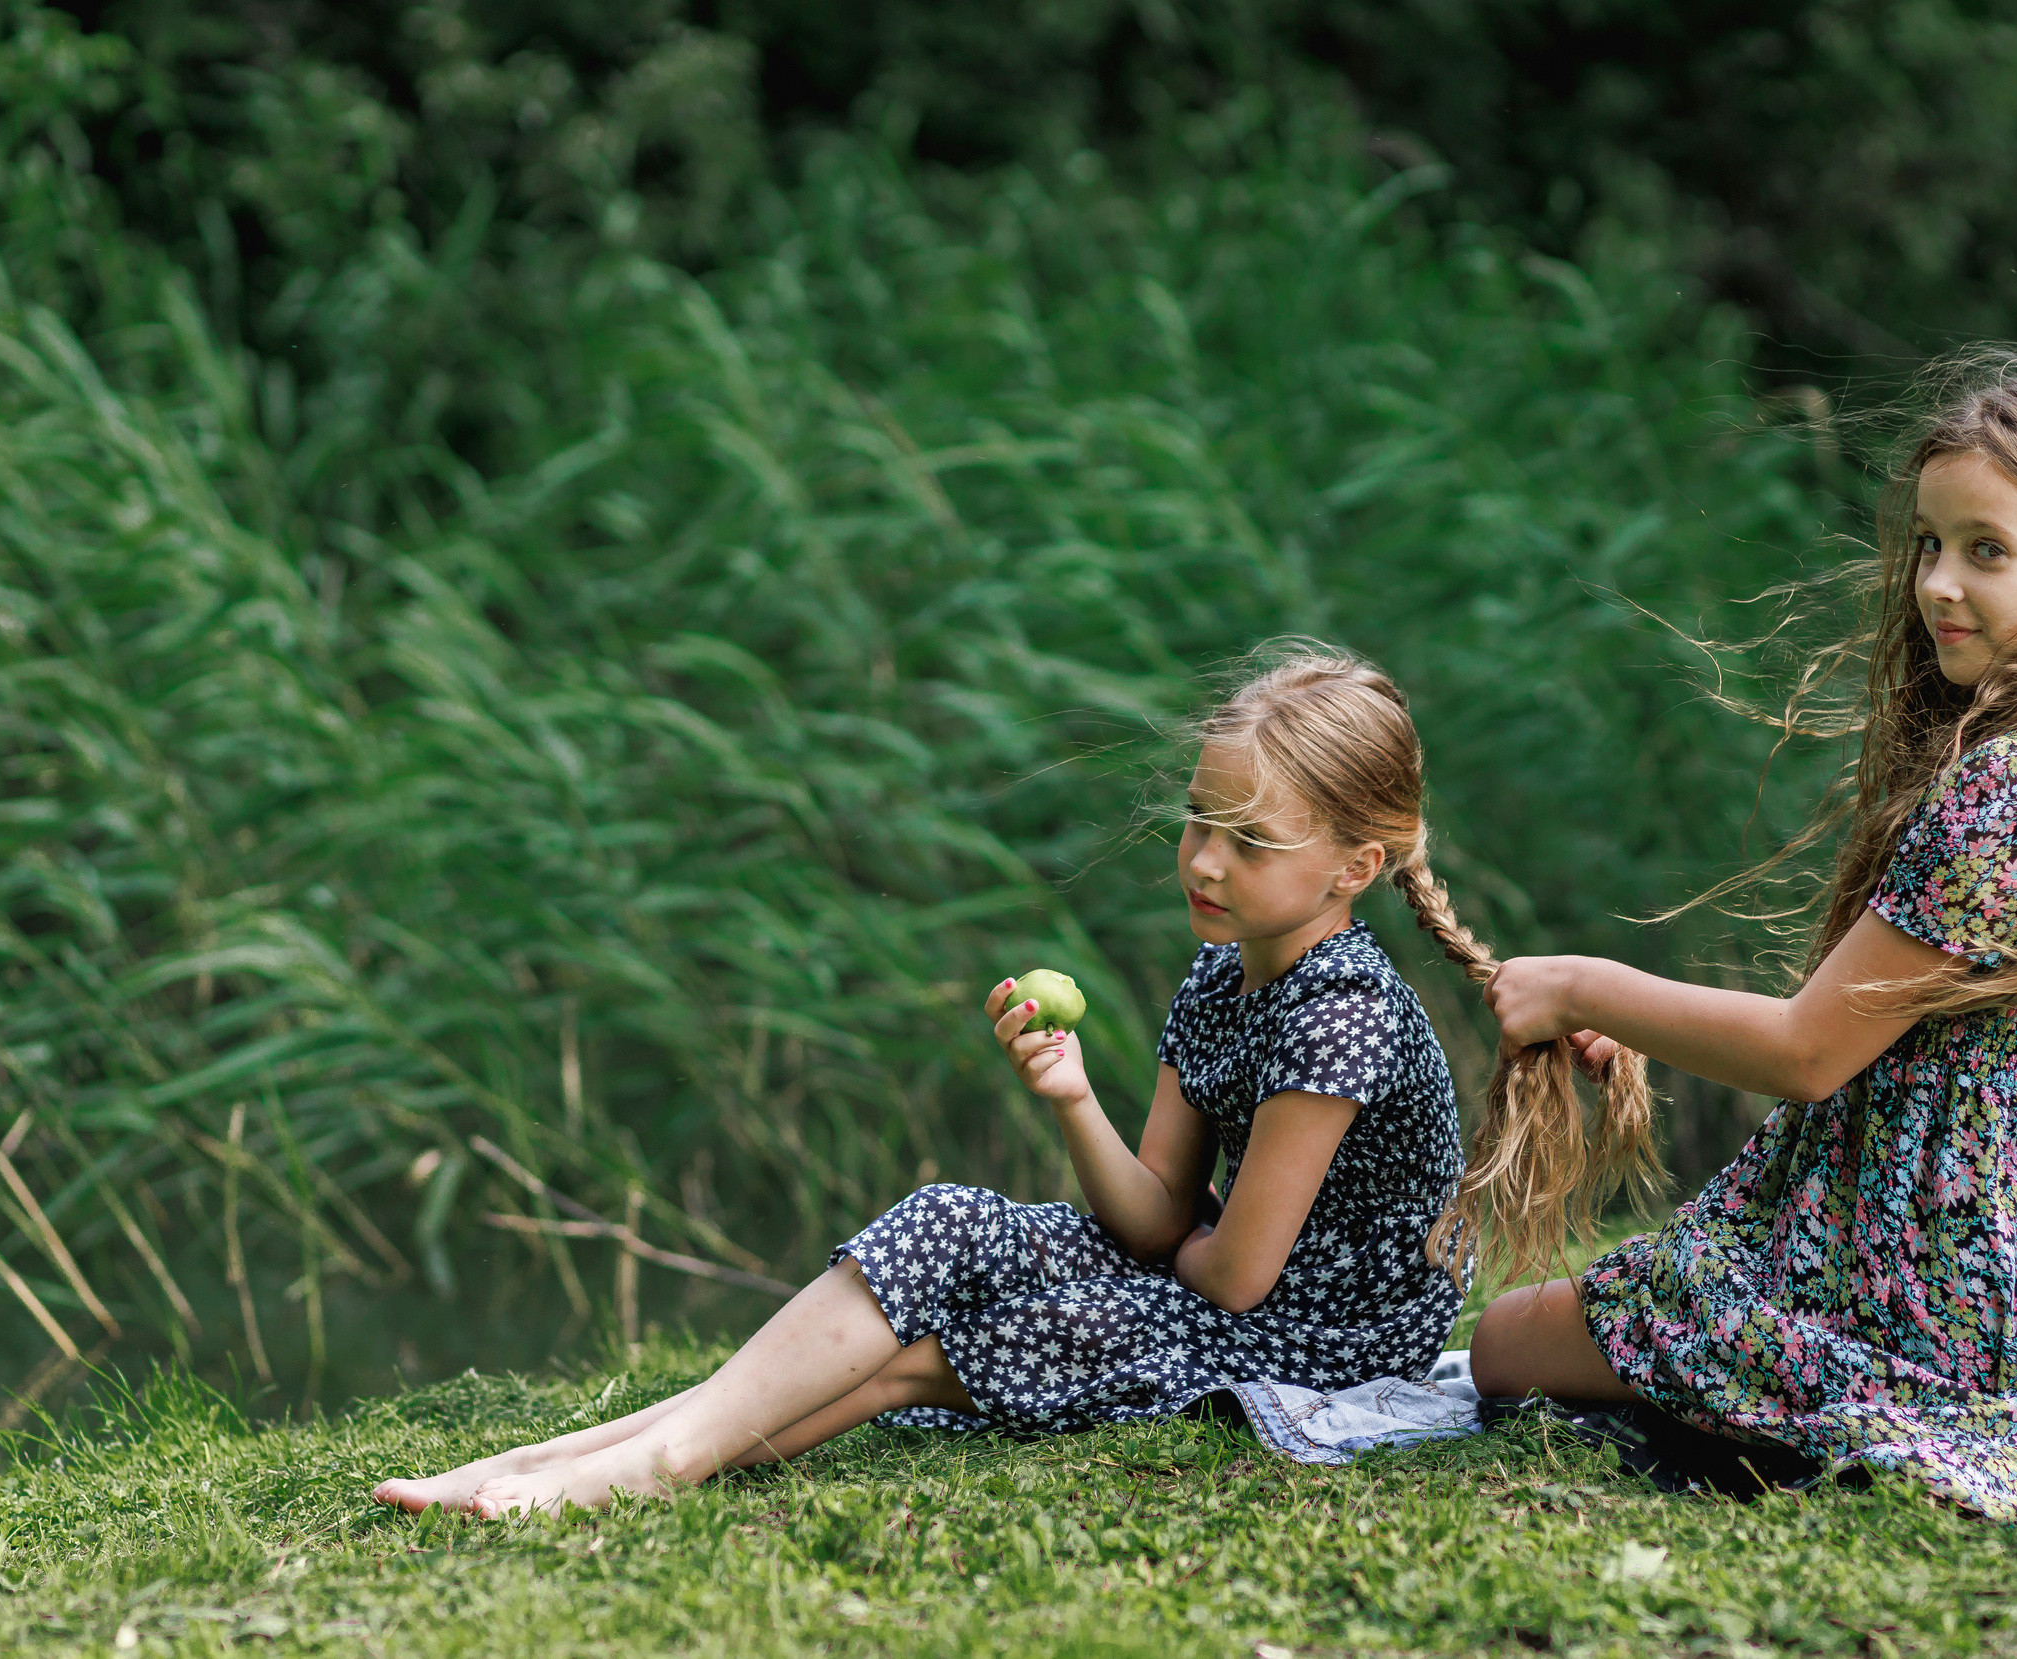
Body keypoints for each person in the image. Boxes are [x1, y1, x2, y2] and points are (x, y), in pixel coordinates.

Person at [1462, 359, 2017, 1529]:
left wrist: (1586, 984)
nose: (1938, 584)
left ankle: (1821, 1393)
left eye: (1986, 551)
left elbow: (1806, 1053)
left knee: (1497, 1343)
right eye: (1931, 544)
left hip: (1906, 1263)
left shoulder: (2016, 787)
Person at [372, 644, 1484, 1516]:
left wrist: (1141, 1248)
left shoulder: (1341, 1013)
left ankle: (651, 1462)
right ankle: (584, 1452)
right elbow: (1156, 1223)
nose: (1201, 859)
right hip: (1237, 1284)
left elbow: (1233, 1280)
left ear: (1354, 869)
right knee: (950, 1222)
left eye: (1247, 840)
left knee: (957, 1336)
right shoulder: (1217, 973)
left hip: (1323, 1340)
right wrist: (1072, 1100)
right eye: (1199, 819)